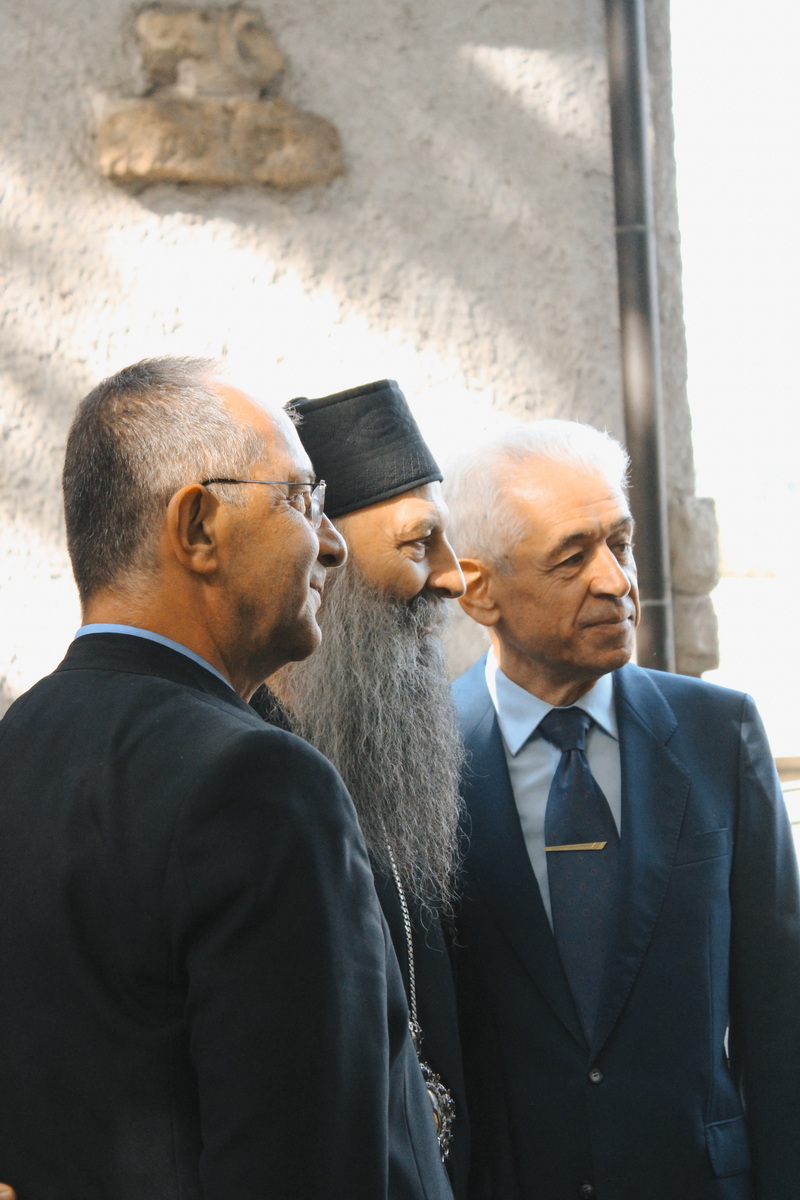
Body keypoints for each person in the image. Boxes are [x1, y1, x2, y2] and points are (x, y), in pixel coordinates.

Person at [0, 358, 453, 1200]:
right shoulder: (260, 781)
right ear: (199, 526)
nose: (331, 543)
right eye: (301, 499)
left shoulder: (19, 742)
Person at [444, 419, 800, 1200]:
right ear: (479, 590)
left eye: (622, 543)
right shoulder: (424, 763)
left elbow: (781, 1014)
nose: (615, 581)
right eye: (573, 557)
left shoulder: (719, 733)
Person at [253, 378, 471, 1197]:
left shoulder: (397, 759)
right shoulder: (249, 773)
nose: (452, 578)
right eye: (419, 544)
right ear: (324, 552)